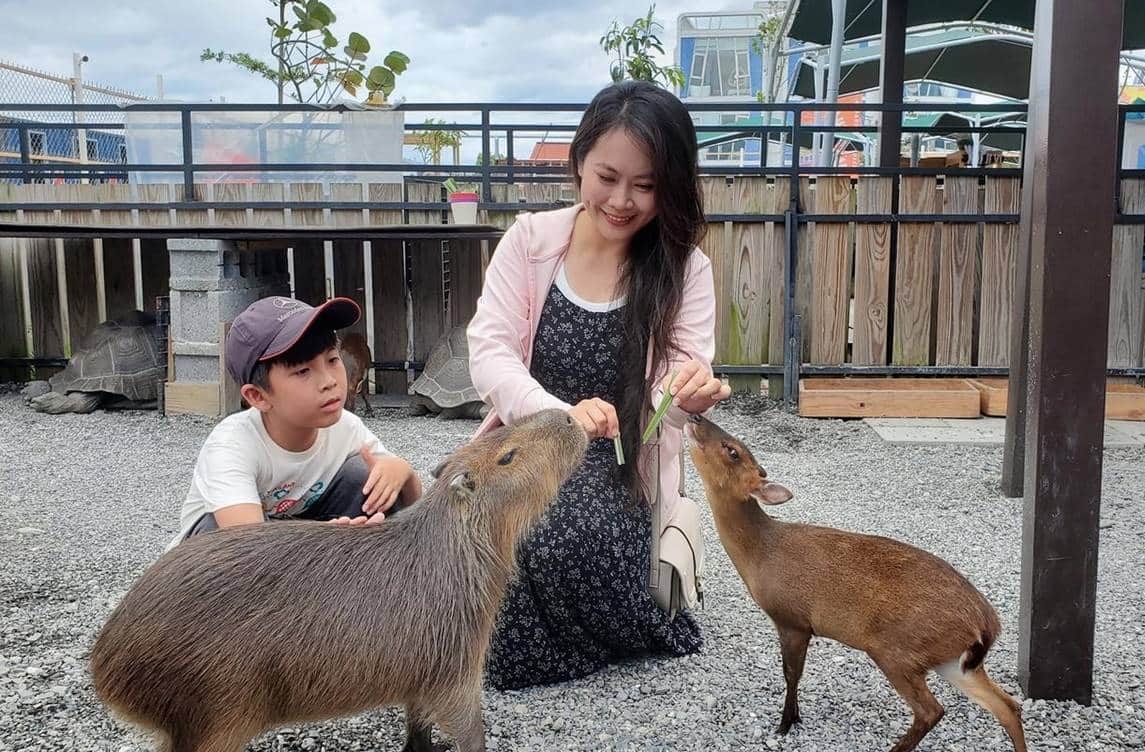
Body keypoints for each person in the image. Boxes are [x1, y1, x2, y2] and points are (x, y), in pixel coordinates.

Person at [467, 80, 731, 690]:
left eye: (646, 185)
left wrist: (685, 397)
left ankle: (595, 625)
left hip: (619, 462)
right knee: (465, 522)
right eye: (607, 176)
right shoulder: (530, 242)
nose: (622, 200)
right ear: (578, 160)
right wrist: (560, 415)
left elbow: (679, 382)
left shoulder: (686, 268)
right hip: (528, 443)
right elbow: (490, 351)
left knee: (563, 536)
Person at [166, 295, 421, 550]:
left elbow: (411, 506)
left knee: (370, 478)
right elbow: (248, 546)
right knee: (216, 533)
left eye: (332, 360)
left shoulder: (346, 428)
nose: (329, 381)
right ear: (258, 396)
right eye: (302, 371)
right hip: (223, 567)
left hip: (297, 544)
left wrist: (403, 473)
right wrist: (319, 541)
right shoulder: (232, 445)